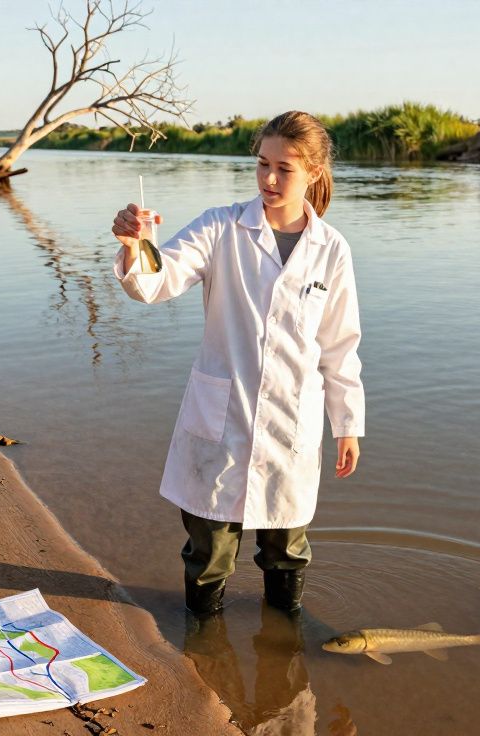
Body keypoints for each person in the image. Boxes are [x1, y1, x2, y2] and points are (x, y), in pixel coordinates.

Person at [110, 111, 365, 616]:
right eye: (262, 164)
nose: (269, 179)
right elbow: (155, 284)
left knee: (287, 553)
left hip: (293, 423)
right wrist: (137, 245)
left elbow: (339, 346)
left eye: (284, 169)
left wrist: (348, 425)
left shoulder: (331, 249)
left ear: (313, 172)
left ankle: (285, 663)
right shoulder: (221, 227)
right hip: (221, 421)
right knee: (208, 554)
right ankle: (201, 663)